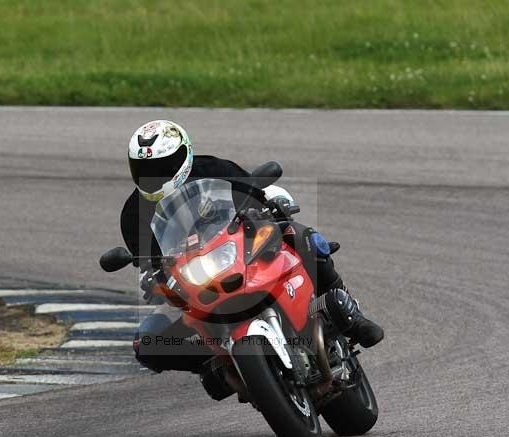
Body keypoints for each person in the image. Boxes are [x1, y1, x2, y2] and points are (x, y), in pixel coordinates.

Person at [120, 120, 383, 373]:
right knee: (147, 344)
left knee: (301, 235)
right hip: (192, 281)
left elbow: (258, 194)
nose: (153, 176)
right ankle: (217, 367)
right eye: (144, 169)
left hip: (242, 248)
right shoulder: (133, 214)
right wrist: (151, 280)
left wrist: (272, 204)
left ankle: (353, 317)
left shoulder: (213, 168)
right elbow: (146, 263)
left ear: (184, 155)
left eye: (163, 166)